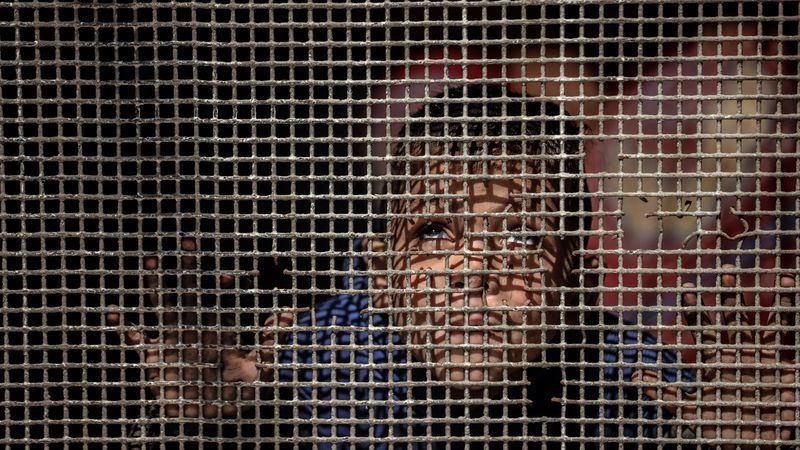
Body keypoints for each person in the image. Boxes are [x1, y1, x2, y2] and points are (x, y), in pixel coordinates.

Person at [108, 86, 796, 449]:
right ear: (378, 272)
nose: (475, 266)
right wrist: (208, 379)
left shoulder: (615, 365)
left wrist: (736, 430)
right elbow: (239, 380)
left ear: (578, 281)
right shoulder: (348, 337)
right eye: (436, 232)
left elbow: (706, 415)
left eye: (524, 237)